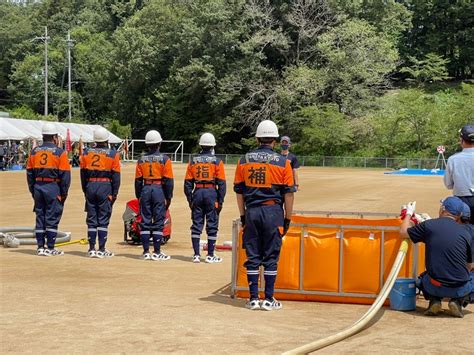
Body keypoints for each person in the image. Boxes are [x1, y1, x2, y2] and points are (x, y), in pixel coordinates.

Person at [234, 120, 295, 311]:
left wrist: (243, 217)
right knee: (270, 255)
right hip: (273, 212)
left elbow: (239, 191)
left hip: (252, 211)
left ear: (257, 138)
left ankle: (253, 298)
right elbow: (289, 194)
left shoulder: (244, 160)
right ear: (275, 141)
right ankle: (268, 298)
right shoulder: (283, 162)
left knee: (252, 255)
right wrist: (287, 218)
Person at [400, 197, 472, 317]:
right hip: (459, 286)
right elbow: (469, 265)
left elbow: (403, 232)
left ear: (443, 209)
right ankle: (457, 301)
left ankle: (434, 300)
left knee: (421, 279)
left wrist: (408, 213)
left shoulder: (429, 225)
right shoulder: (465, 233)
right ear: (459, 214)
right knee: (470, 280)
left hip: (434, 284)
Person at [26, 122, 71, 256]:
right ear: (55, 137)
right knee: (52, 216)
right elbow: (65, 176)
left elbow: (29, 174)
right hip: (53, 187)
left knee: (40, 216)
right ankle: (50, 247)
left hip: (38, 186)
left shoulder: (34, 152)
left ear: (43, 136)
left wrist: (33, 190)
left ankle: (40, 247)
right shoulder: (60, 152)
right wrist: (63, 194)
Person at [184, 133, 226, 263]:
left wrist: (190, 199)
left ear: (201, 145)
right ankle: (210, 255)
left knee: (197, 224)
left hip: (198, 192)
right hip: (211, 192)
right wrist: (220, 200)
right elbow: (222, 184)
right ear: (213, 146)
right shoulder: (217, 161)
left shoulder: (193, 161)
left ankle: (196, 254)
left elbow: (187, 183)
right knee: (212, 224)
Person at [80, 127, 121, 258]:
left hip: (90, 185)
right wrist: (114, 193)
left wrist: (85, 190)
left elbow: (83, 175)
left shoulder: (86, 153)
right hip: (105, 185)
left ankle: (91, 248)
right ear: (107, 140)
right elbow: (116, 176)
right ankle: (102, 249)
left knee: (92, 218)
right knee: (103, 218)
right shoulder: (112, 154)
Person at [134, 130, 174, 261]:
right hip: (158, 189)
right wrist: (168, 197)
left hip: (146, 188)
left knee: (145, 221)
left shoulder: (141, 160)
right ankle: (157, 251)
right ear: (159, 143)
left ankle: (145, 252)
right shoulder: (165, 159)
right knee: (158, 221)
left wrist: (139, 195)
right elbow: (168, 180)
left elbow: (138, 180)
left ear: (147, 144)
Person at [444, 124, 474, 224]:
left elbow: (448, 185)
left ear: (461, 140)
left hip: (461, 202)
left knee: (462, 233)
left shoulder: (453, 159)